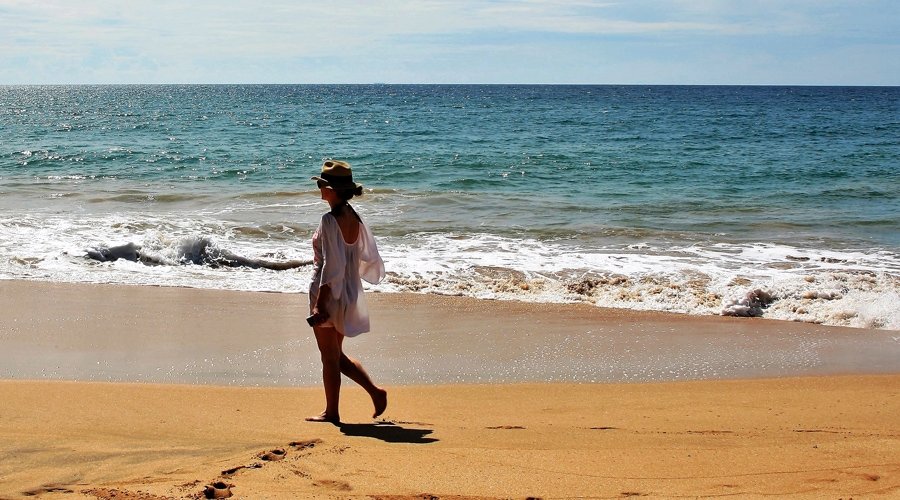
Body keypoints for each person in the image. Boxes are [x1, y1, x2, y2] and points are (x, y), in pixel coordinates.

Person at [305, 160, 387, 424]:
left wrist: (321, 303)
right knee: (335, 356)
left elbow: (331, 264)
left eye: (321, 184)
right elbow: (364, 256)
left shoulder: (330, 220)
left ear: (331, 189)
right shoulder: (353, 216)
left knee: (329, 358)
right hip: (348, 291)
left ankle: (332, 412)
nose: (319, 187)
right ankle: (376, 392)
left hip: (329, 292)